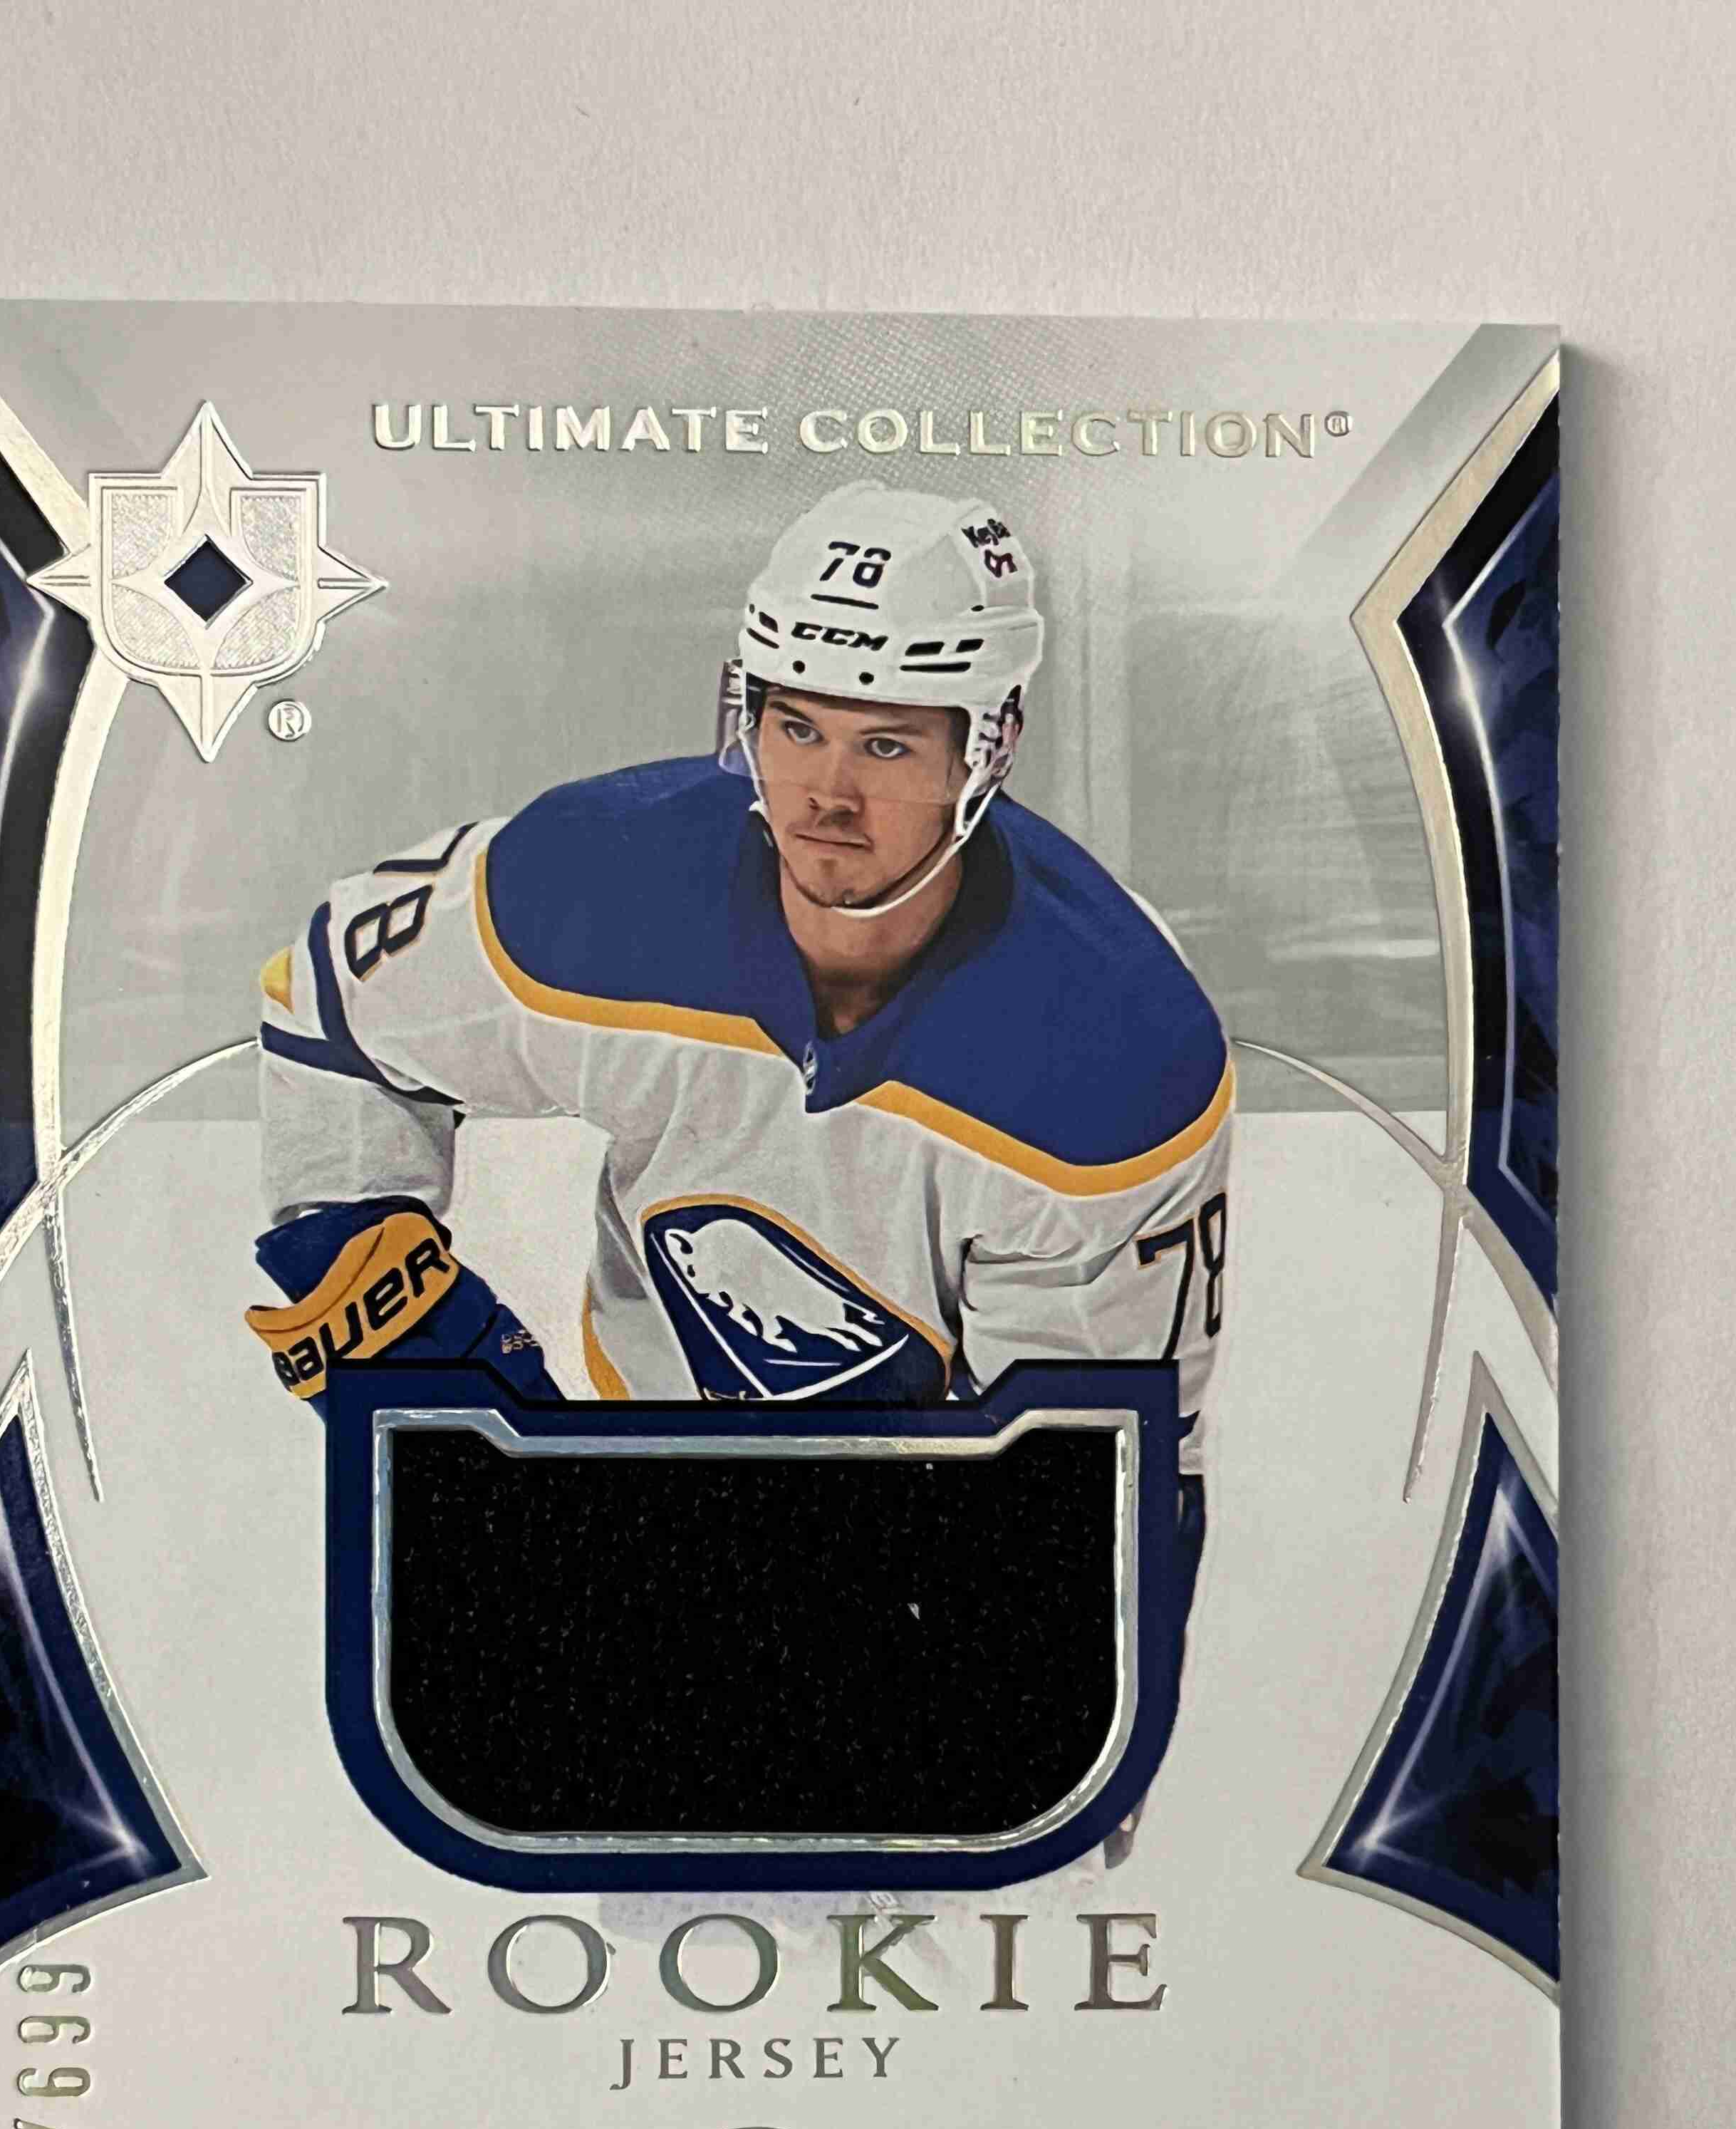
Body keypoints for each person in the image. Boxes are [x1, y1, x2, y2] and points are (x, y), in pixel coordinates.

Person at [246, 481, 1231, 1486]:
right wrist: (432, 1383)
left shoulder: (1116, 1048)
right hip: (634, 1468)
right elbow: (335, 1008)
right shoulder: (591, 885)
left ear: (989, 748)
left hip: (925, 1529)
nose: (828, 798)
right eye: (798, 730)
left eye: (886, 744)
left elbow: (1098, 1489)